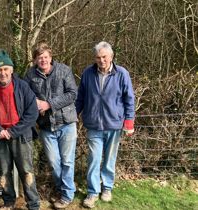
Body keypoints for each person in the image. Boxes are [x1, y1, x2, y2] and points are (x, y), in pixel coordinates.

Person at [76, 41, 135, 209]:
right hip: (93, 124)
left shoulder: (122, 74)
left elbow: (129, 99)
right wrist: (74, 115)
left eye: (104, 57)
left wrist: (129, 121)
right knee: (93, 159)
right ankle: (92, 192)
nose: (101, 60)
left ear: (111, 56)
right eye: (98, 57)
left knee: (109, 159)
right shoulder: (88, 73)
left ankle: (107, 188)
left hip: (114, 124)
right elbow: (80, 97)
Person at [0, 49, 41, 210]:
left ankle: (33, 204)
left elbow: (32, 112)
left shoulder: (22, 86)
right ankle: (8, 202)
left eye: (6, 69)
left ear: (11, 70)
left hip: (20, 135)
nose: (3, 73)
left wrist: (13, 131)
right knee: (4, 172)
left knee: (26, 170)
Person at [24, 42, 78, 209]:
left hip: (66, 122)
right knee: (55, 162)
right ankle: (63, 188)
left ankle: (67, 194)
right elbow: (25, 96)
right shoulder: (30, 75)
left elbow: (72, 94)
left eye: (46, 57)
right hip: (46, 126)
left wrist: (49, 104)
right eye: (39, 58)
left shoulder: (64, 70)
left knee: (67, 161)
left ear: (51, 57)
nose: (43, 60)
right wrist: (36, 104)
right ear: (35, 60)